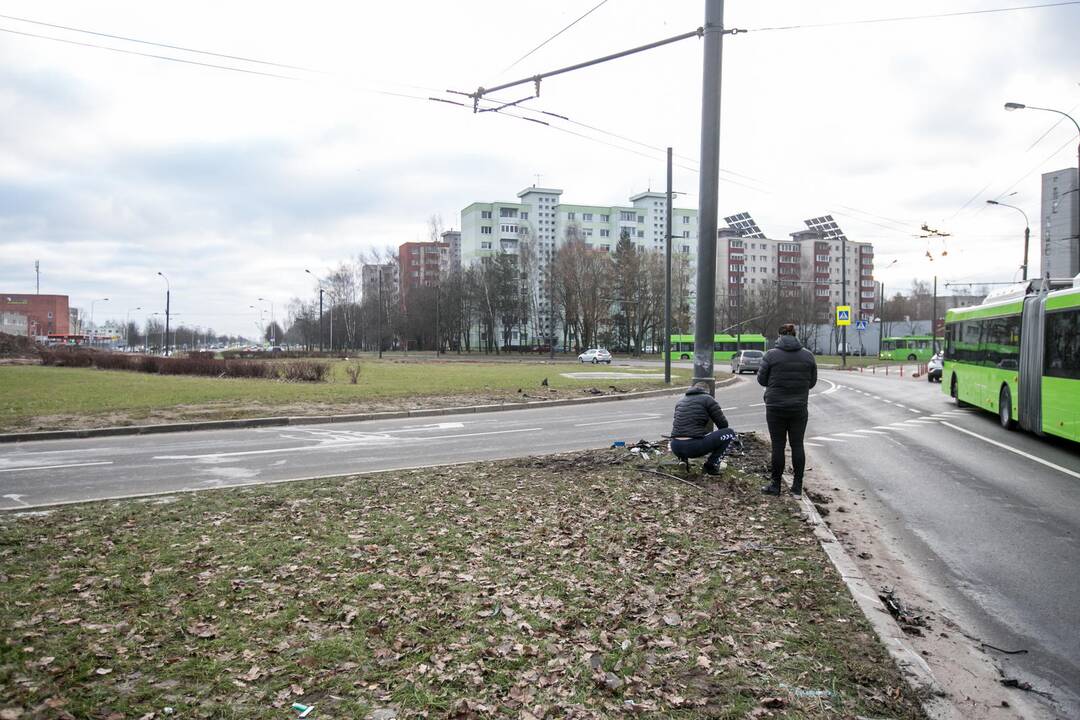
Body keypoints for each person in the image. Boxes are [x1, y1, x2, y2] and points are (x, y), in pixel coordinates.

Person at [757, 323, 817, 496]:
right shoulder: (808, 356)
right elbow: (812, 383)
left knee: (778, 446)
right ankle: (797, 486)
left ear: (780, 336)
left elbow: (762, 380)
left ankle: (775, 485)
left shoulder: (771, 355)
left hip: (775, 407)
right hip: (799, 407)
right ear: (795, 335)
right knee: (797, 445)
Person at [669, 381, 738, 475]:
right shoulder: (708, 399)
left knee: (686, 432)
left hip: (675, 445)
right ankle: (710, 466)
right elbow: (723, 425)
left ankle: (683, 460)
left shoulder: (681, 401)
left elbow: (680, 424)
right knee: (730, 433)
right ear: (707, 391)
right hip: (693, 446)